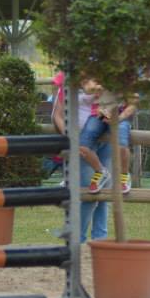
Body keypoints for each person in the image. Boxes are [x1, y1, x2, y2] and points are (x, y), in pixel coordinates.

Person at [46, 72, 109, 241]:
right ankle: (78, 239)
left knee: (103, 189)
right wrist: (72, 138)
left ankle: (99, 239)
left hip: (105, 136)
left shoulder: (104, 74)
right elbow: (56, 114)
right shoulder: (67, 80)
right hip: (83, 143)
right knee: (91, 189)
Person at [81, 82, 136, 194]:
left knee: (121, 146)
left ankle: (124, 175)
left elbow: (132, 105)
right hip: (100, 114)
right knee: (82, 147)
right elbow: (88, 88)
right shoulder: (101, 75)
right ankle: (100, 171)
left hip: (121, 117)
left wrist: (119, 118)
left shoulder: (128, 79)